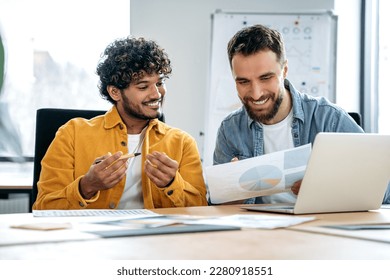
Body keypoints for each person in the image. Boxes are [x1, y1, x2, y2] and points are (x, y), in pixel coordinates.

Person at [33, 37, 207, 210]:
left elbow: (201, 209)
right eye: (143, 87)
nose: (156, 94)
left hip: (154, 236)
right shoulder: (72, 134)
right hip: (92, 236)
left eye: (160, 83)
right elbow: (43, 207)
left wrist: (171, 183)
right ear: (115, 92)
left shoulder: (183, 143)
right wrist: (86, 186)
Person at [213, 24, 379, 204]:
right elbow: (216, 206)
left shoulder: (329, 119)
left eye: (265, 78)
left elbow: (382, 189)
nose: (256, 93)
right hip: (259, 230)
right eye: (244, 82)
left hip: (318, 228)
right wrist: (231, 192)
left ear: (284, 70)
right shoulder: (229, 129)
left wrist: (330, 188)